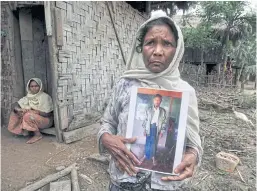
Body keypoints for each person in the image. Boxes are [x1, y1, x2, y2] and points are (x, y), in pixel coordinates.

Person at [97, 10, 202, 191]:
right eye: (150, 43)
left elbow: (194, 142)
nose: (158, 51)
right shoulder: (125, 84)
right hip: (124, 181)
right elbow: (107, 122)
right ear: (141, 47)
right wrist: (106, 138)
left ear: (177, 50)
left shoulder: (185, 92)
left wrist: (193, 155)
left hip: (166, 184)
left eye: (167, 44)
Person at [7, 78, 54, 144]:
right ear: (29, 87)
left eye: (36, 86)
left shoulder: (45, 97)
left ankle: (38, 135)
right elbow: (14, 105)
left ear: (40, 87)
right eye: (32, 86)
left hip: (46, 121)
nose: (34, 88)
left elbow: (48, 114)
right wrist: (19, 109)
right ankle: (20, 131)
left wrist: (36, 112)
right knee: (15, 112)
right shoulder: (28, 97)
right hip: (34, 118)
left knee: (28, 115)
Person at [140, 94, 166, 166]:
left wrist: (162, 131)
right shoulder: (149, 110)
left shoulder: (163, 111)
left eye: (159, 100)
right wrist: (145, 130)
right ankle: (145, 155)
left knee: (154, 144)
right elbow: (145, 120)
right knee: (148, 142)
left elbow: (164, 122)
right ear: (153, 100)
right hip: (149, 128)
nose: (157, 101)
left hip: (157, 129)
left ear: (160, 101)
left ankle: (153, 157)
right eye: (156, 100)